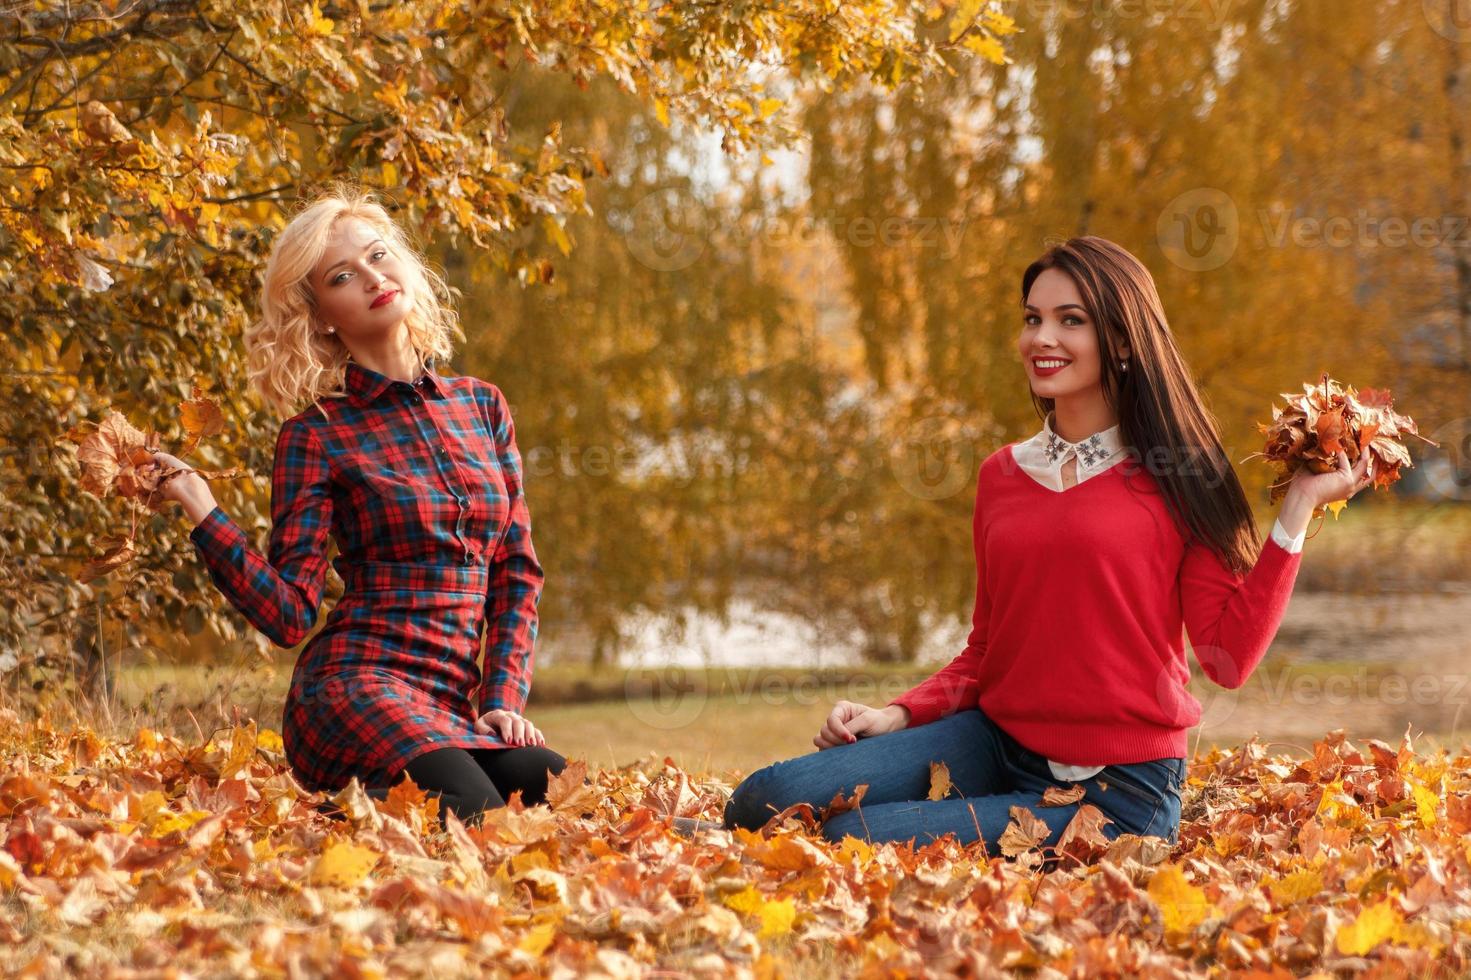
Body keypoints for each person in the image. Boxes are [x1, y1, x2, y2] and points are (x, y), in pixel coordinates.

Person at [723, 236, 1374, 858]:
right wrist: (894, 714)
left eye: (1070, 320)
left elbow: (1226, 659)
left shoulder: (1182, 474)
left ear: (1120, 340)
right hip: (995, 742)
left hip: (1117, 793)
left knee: (852, 837)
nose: (1041, 338)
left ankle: (984, 817)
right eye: (1032, 318)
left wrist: (1296, 511)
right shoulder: (1000, 475)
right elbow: (986, 649)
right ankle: (980, 805)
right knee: (763, 800)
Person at [152, 185, 567, 828]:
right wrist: (203, 509)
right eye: (344, 275)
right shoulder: (316, 434)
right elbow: (291, 613)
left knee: (556, 795)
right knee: (478, 813)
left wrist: (503, 697)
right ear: (320, 315)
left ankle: (735, 824)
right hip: (353, 689)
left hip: (451, 704)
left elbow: (516, 573)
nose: (373, 277)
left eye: (379, 256)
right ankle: (303, 822)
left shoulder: (482, 406)